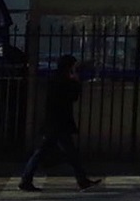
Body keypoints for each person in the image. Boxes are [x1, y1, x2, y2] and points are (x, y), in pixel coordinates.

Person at [18, 55, 102, 192]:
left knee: (64, 152)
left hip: (55, 122)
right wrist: (76, 81)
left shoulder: (56, 78)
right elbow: (73, 97)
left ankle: (82, 180)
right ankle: (26, 180)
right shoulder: (64, 80)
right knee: (44, 152)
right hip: (58, 123)